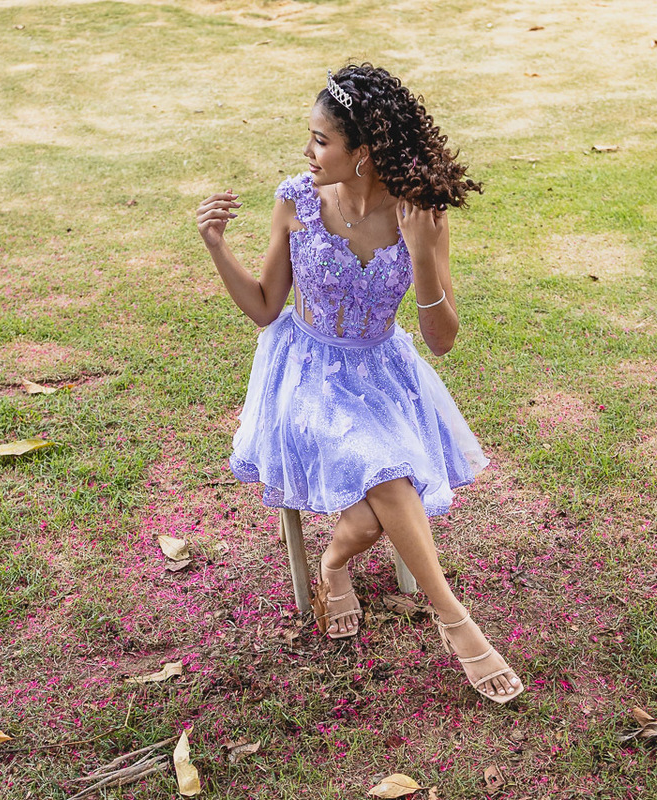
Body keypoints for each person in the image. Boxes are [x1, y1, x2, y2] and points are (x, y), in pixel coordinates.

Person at [196, 64, 523, 703]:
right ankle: (458, 626)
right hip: (304, 375)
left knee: (377, 500)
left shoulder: (419, 212)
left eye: (320, 139)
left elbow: (442, 340)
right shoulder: (296, 200)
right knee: (387, 474)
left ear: (364, 152)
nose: (308, 151)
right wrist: (214, 245)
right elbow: (266, 307)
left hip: (383, 374)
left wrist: (421, 255)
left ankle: (334, 561)